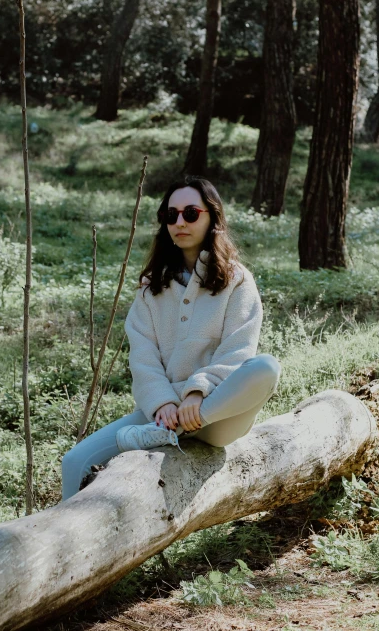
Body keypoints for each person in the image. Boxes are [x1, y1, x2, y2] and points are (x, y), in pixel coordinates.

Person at [62, 177, 281, 500]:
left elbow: (238, 350)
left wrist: (197, 393)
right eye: (171, 215)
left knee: (266, 367)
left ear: (212, 217)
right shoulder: (152, 288)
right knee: (74, 461)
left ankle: (168, 432)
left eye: (191, 213)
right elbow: (143, 356)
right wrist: (163, 402)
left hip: (218, 414)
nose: (179, 222)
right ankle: (65, 545)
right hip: (162, 414)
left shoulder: (237, 281)